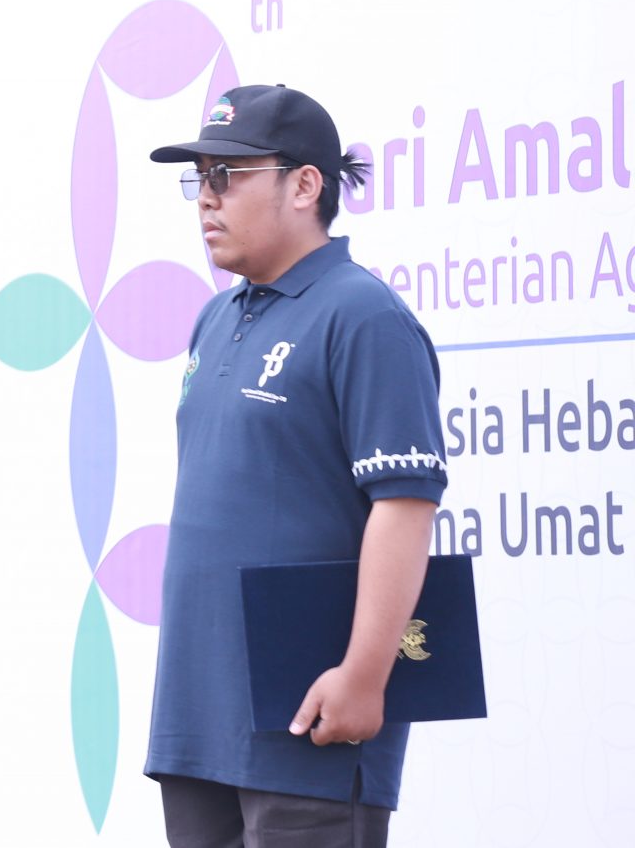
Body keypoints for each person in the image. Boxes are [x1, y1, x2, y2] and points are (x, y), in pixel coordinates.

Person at [143, 85, 448, 848]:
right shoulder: (217, 319)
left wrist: (365, 674)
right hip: (198, 723)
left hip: (307, 728)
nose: (205, 200)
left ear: (305, 184)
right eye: (199, 179)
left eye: (227, 176)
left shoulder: (364, 316)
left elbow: (405, 506)